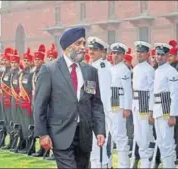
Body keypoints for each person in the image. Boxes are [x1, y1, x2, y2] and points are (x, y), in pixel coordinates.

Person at [34, 27, 105, 169]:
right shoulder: (50, 70)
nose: (83, 48)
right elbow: (39, 104)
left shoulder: (90, 71)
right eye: (78, 44)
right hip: (61, 134)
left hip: (84, 135)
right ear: (67, 46)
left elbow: (95, 103)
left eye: (83, 44)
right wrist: (42, 134)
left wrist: (100, 130)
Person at [151, 43, 178, 168]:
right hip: (157, 109)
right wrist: (152, 112)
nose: (159, 57)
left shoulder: (171, 71)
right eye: (158, 54)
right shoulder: (157, 71)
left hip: (167, 108)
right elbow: (153, 93)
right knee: (161, 143)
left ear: (168, 55)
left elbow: (175, 94)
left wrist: (173, 115)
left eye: (162, 55)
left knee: (167, 143)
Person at [87, 36, 112, 168]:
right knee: (94, 150)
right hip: (92, 112)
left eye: (95, 49)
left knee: (99, 150)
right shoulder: (92, 66)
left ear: (102, 52)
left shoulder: (102, 68)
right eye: (90, 49)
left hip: (100, 114)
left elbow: (103, 95)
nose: (91, 51)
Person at [132, 41, 155, 168]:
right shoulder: (135, 68)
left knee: (145, 134)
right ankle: (143, 159)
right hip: (136, 102)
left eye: (142, 52)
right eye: (138, 51)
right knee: (138, 135)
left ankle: (147, 162)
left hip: (145, 102)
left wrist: (151, 111)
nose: (139, 54)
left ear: (147, 54)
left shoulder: (149, 69)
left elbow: (152, 91)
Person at [110, 42, 132, 168]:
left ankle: (124, 165)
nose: (115, 56)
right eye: (113, 53)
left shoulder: (124, 69)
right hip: (111, 103)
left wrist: (127, 107)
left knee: (120, 135)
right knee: (112, 134)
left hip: (119, 103)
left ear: (123, 55)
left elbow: (127, 90)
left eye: (118, 53)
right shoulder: (111, 68)